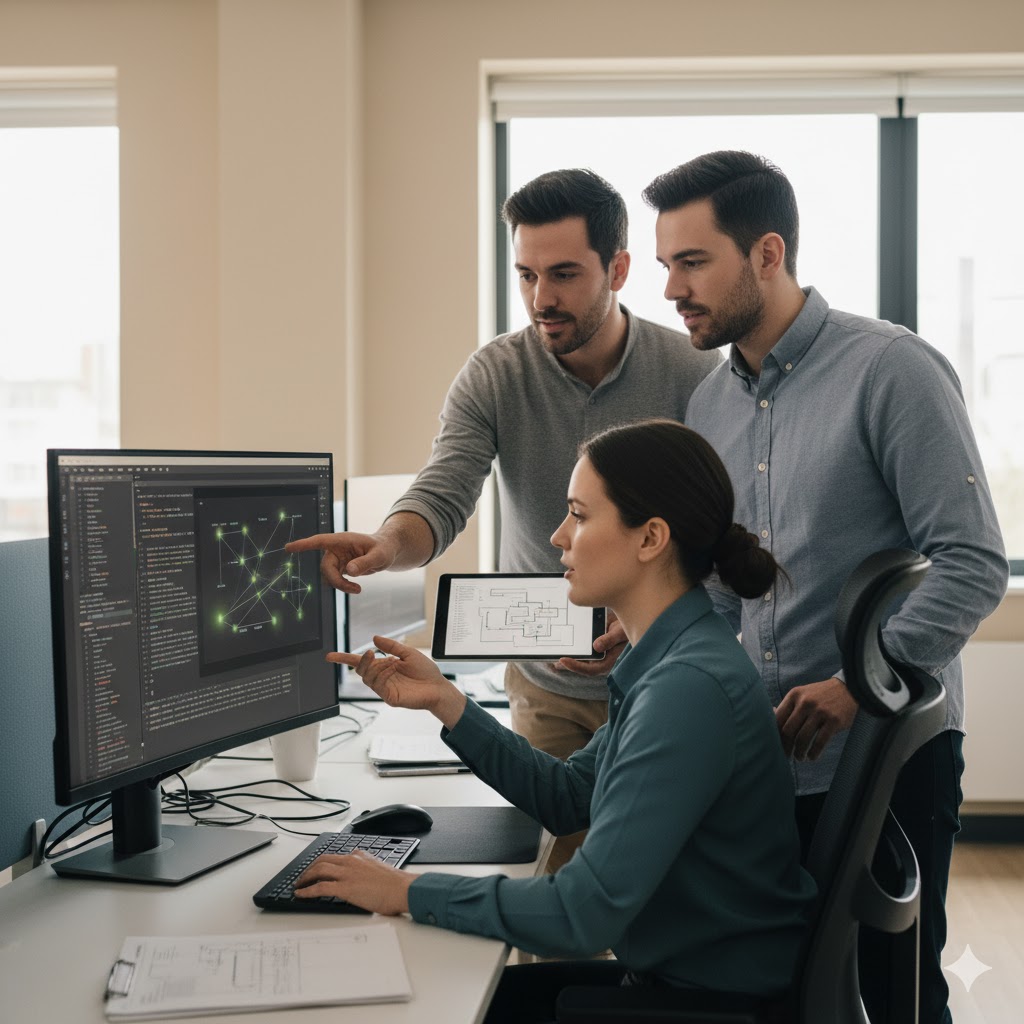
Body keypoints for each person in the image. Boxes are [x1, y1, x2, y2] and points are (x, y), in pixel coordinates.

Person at [641, 150, 1009, 1024]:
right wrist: (652, 629)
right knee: (799, 989)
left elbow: (974, 563)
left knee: (897, 992)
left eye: (691, 263)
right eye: (665, 266)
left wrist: (857, 685)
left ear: (767, 255)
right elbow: (731, 589)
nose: (670, 290)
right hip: (768, 761)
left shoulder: (892, 370)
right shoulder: (709, 406)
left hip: (886, 755)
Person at [294, 419, 816, 1023]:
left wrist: (405, 891)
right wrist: (446, 701)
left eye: (579, 515)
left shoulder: (686, 689)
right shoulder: (677, 654)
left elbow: (580, 913)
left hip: (707, 1004)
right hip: (685, 980)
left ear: (649, 539)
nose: (557, 535)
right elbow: (570, 797)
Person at [287, 169, 719, 871]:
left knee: (657, 889)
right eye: (526, 275)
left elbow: (720, 530)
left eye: (565, 275)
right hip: (546, 688)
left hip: (660, 681)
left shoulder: (694, 374)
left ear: (619, 269)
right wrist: (387, 544)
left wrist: (640, 620)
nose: (541, 298)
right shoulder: (496, 372)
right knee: (553, 876)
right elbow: (447, 487)